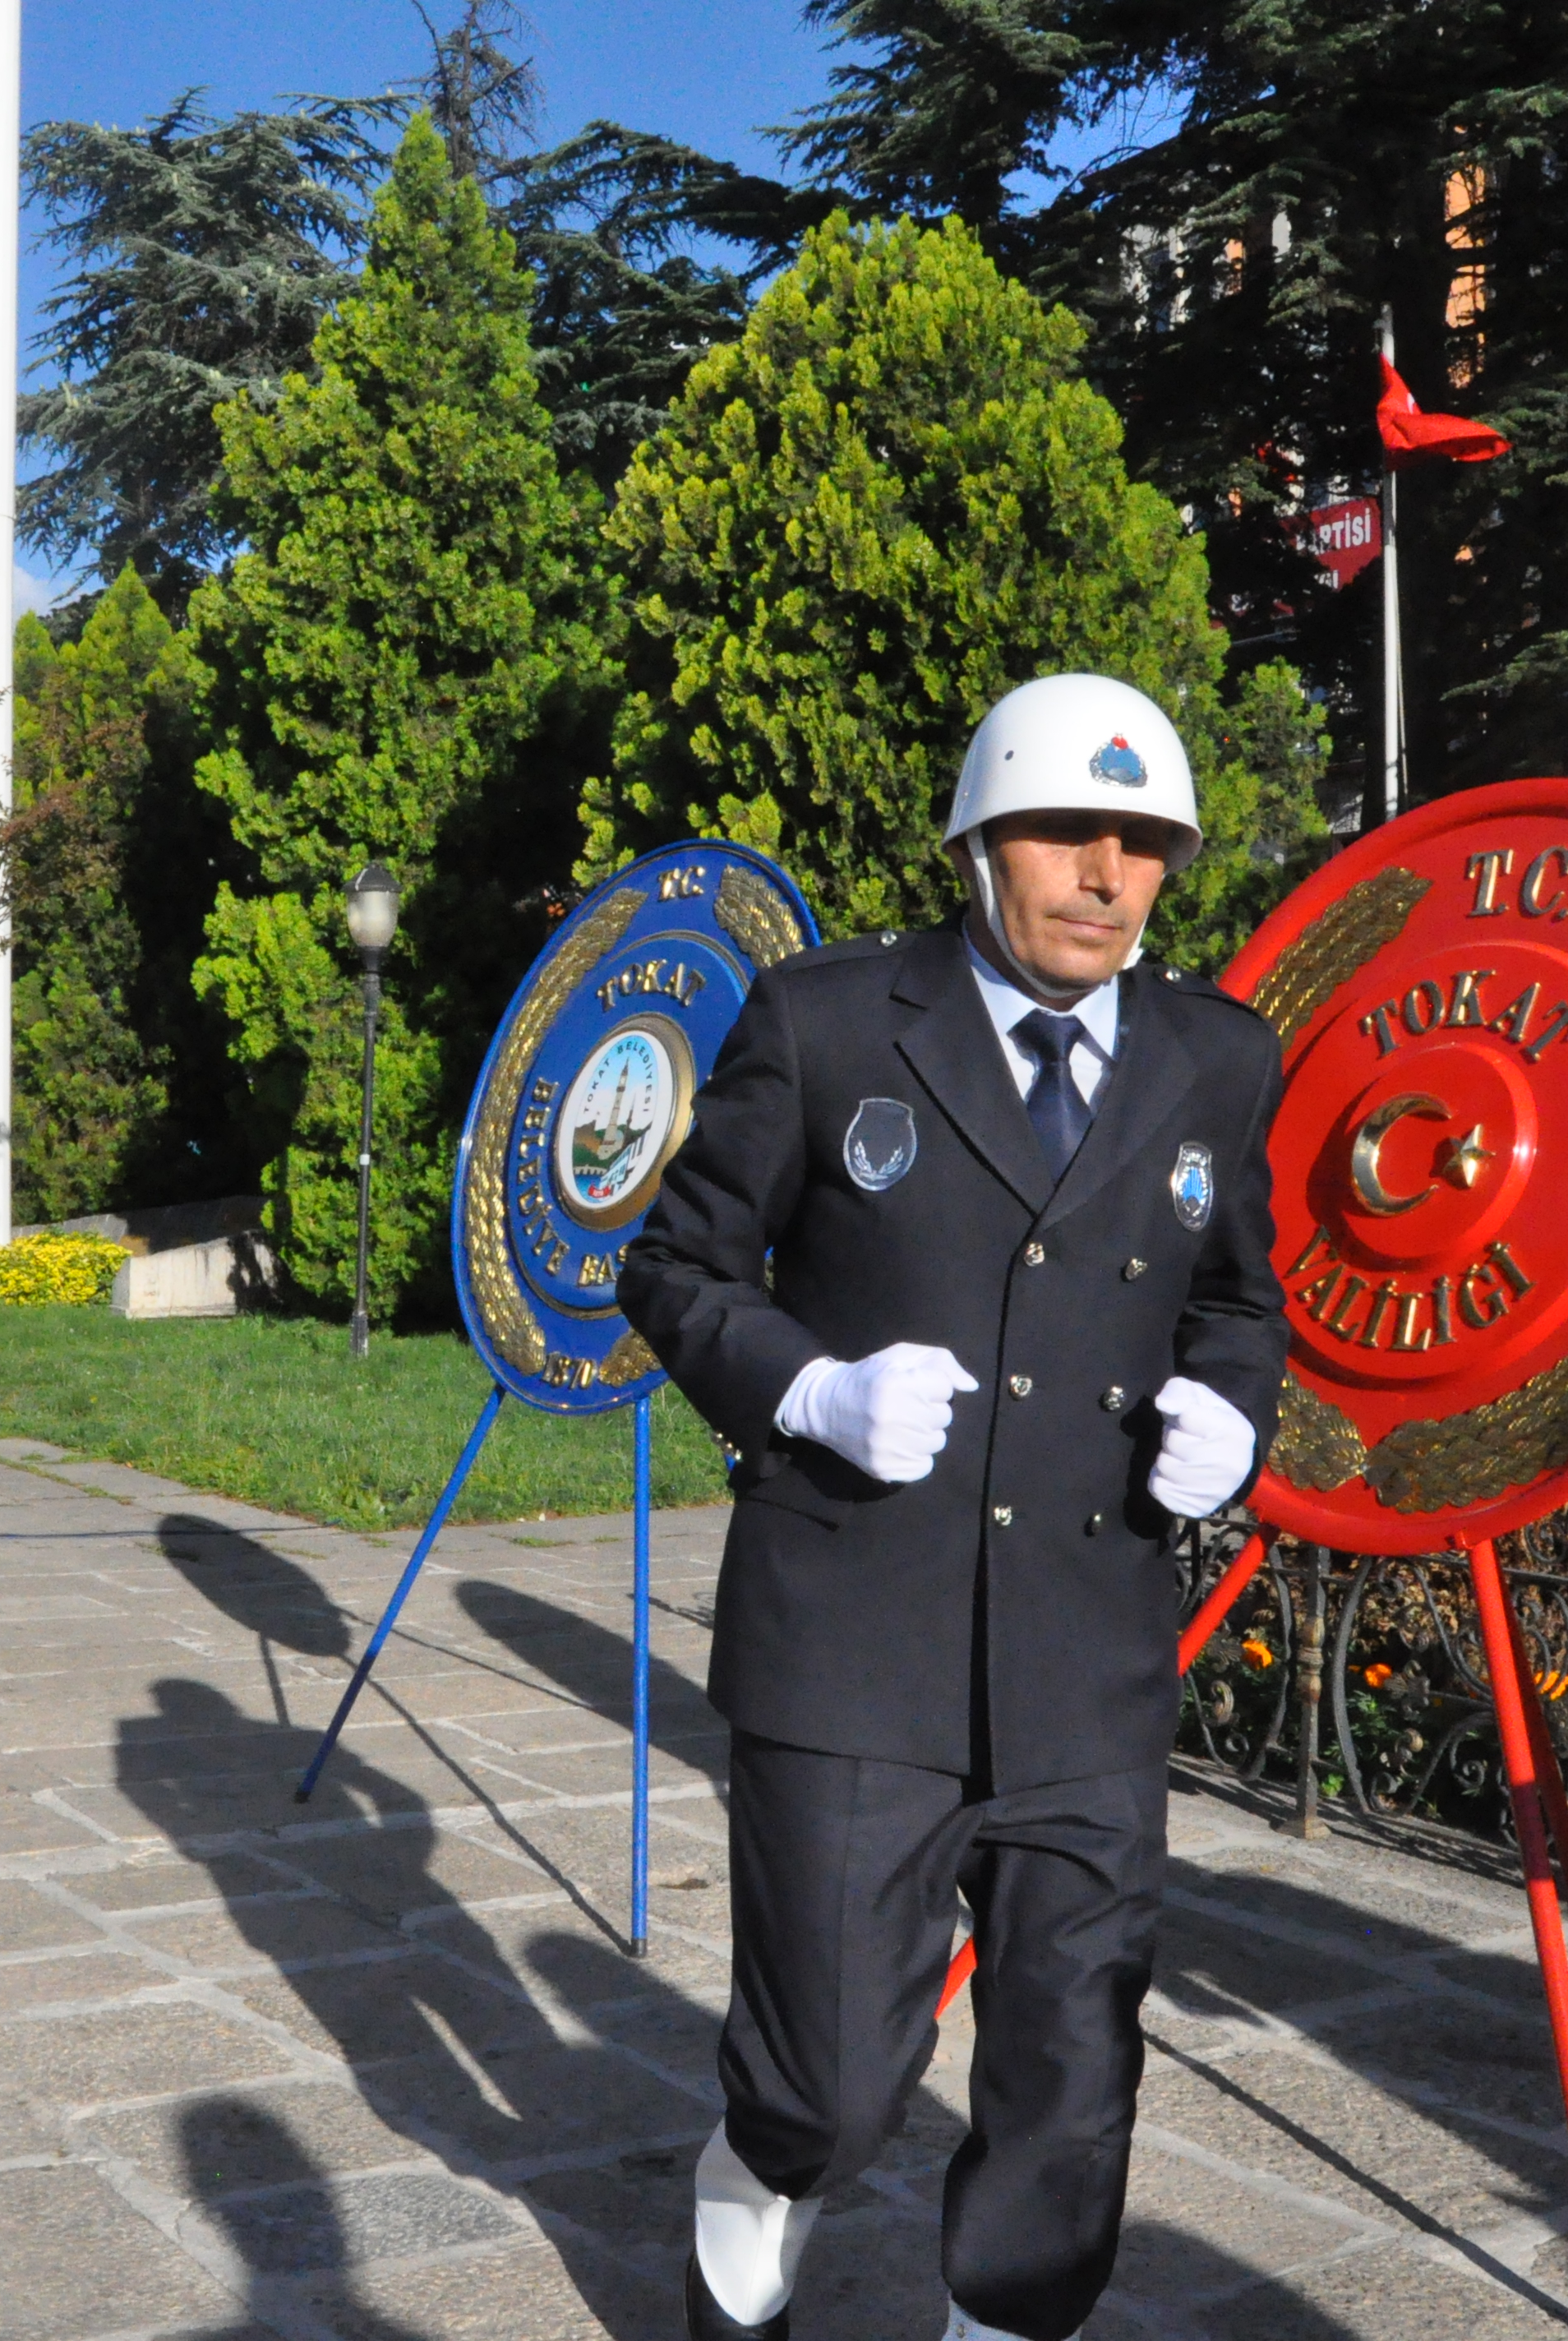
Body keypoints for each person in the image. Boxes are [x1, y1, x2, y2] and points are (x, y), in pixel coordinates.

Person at [620, 673, 1290, 2341]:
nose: (1102, 874)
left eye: (1141, 843)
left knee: (1071, 2081)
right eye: (1068, 831)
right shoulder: (832, 1020)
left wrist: (1234, 1406)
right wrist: (803, 1388)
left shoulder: (1216, 1056)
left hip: (1087, 1649)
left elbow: (1237, 1296)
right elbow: (673, 1262)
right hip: (856, 1639)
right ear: (980, 840)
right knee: (835, 2084)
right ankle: (753, 2173)